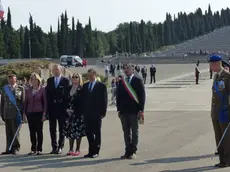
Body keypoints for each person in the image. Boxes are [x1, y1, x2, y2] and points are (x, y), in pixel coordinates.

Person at [116, 63, 146, 159]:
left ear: (133, 69)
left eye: (128, 68)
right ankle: (127, 151)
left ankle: (133, 151)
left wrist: (141, 109)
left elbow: (142, 96)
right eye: (124, 68)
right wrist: (119, 109)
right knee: (126, 132)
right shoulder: (122, 82)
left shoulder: (138, 80)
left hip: (134, 111)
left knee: (134, 131)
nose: (126, 70)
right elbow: (118, 96)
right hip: (124, 111)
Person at [81, 68, 108, 158]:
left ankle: (96, 150)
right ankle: (91, 150)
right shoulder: (85, 86)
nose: (89, 77)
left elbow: (104, 100)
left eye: (91, 75)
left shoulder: (101, 86)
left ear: (95, 75)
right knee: (89, 133)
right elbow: (83, 100)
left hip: (97, 113)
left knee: (97, 132)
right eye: (88, 75)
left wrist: (103, 112)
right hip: (87, 114)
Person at [209, 55, 230, 168]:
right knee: (218, 136)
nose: (210, 66)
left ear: (217, 63)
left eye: (211, 64)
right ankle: (222, 159)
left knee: (226, 137)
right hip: (216, 112)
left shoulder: (227, 76)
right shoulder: (216, 76)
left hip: (225, 112)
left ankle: (227, 160)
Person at [46, 64, 69, 154]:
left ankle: (60, 146)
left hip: (61, 108)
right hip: (52, 108)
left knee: (61, 128)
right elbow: (48, 95)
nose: (55, 71)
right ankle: (54, 146)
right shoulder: (50, 80)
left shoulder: (65, 81)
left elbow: (67, 95)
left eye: (57, 69)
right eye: (54, 69)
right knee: (52, 128)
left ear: (61, 70)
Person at [0, 70, 25, 155]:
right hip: (7, 113)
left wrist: (22, 115)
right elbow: (2, 103)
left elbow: (22, 102)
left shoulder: (20, 88)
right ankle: (8, 148)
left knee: (15, 132)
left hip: (16, 114)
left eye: (12, 77)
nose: (10, 79)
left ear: (15, 78)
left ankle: (15, 148)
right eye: (9, 78)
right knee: (8, 132)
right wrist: (2, 113)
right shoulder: (5, 89)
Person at [24, 73, 47, 155]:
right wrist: (24, 114)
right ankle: (33, 148)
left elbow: (45, 103)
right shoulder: (28, 90)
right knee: (32, 132)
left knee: (39, 131)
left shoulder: (42, 90)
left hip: (39, 113)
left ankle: (39, 149)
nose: (33, 81)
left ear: (38, 80)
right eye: (32, 79)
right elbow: (25, 103)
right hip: (30, 113)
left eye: (35, 79)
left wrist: (44, 114)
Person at [64, 73, 86, 156]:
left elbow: (83, 102)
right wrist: (66, 109)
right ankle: (70, 149)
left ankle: (77, 149)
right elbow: (65, 99)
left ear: (79, 78)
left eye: (76, 77)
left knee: (78, 132)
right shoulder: (68, 88)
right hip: (69, 114)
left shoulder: (82, 89)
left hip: (78, 113)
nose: (74, 78)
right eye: (73, 77)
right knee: (70, 131)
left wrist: (75, 110)